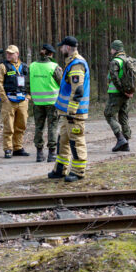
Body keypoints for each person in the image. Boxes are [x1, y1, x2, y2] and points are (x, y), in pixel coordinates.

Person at [48, 36, 90, 183]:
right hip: (67, 113)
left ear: (67, 47)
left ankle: (78, 171)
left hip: (74, 114)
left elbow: (77, 90)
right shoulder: (71, 63)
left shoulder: (76, 64)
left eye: (62, 47)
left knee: (76, 141)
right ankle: (60, 169)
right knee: (63, 141)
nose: (60, 49)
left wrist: (72, 110)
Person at [0, 45, 30, 158]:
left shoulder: (24, 67)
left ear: (17, 54)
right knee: (8, 126)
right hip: (9, 101)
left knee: (21, 125)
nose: (8, 55)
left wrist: (28, 97)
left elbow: (29, 83)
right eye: (7, 53)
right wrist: (4, 99)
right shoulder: (2, 66)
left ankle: (18, 147)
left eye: (11, 53)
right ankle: (8, 149)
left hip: (22, 101)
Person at [28, 43, 62, 162]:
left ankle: (39, 153)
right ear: (51, 54)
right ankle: (52, 153)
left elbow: (27, 84)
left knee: (39, 127)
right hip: (52, 102)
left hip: (37, 102)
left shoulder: (32, 66)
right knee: (52, 126)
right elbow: (61, 83)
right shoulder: (53, 66)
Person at [104, 39, 133, 152]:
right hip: (127, 93)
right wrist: (129, 91)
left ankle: (120, 139)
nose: (110, 51)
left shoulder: (115, 61)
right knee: (123, 116)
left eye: (111, 48)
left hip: (117, 93)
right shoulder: (128, 59)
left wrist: (122, 90)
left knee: (108, 114)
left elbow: (114, 78)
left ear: (115, 49)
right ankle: (126, 143)